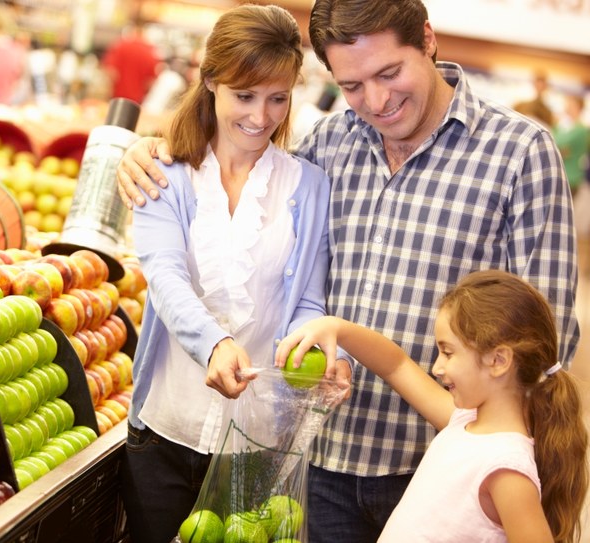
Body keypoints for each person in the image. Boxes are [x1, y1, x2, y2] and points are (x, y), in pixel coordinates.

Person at [115, 0, 580, 540]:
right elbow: (290, 268)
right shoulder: (328, 145)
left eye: (389, 73)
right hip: (319, 460)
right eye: (353, 86)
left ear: (427, 40)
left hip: (436, 464)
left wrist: (508, 464)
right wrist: (147, 150)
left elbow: (545, 345)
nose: (377, 101)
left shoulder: (520, 153)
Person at [117, 5, 334, 543]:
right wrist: (214, 344)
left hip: (256, 448)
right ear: (210, 81)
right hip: (166, 433)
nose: (262, 116)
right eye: (245, 95)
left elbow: (308, 300)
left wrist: (323, 353)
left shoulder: (308, 186)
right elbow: (164, 278)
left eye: (278, 98)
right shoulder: (162, 173)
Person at [276, 269, 588, 543]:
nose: (437, 367)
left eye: (448, 352)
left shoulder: (506, 468)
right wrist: (337, 328)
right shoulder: (462, 421)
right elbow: (395, 364)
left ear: (498, 361)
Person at [101, 17, 161, 104]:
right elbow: (150, 82)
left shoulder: (121, 45)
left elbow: (110, 72)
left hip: (117, 98)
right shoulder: (150, 51)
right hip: (136, 102)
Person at [554, 93, 589, 196]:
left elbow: (558, 143)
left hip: (571, 177)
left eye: (571, 104)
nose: (567, 106)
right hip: (561, 175)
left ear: (579, 107)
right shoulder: (565, 127)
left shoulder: (581, 130)